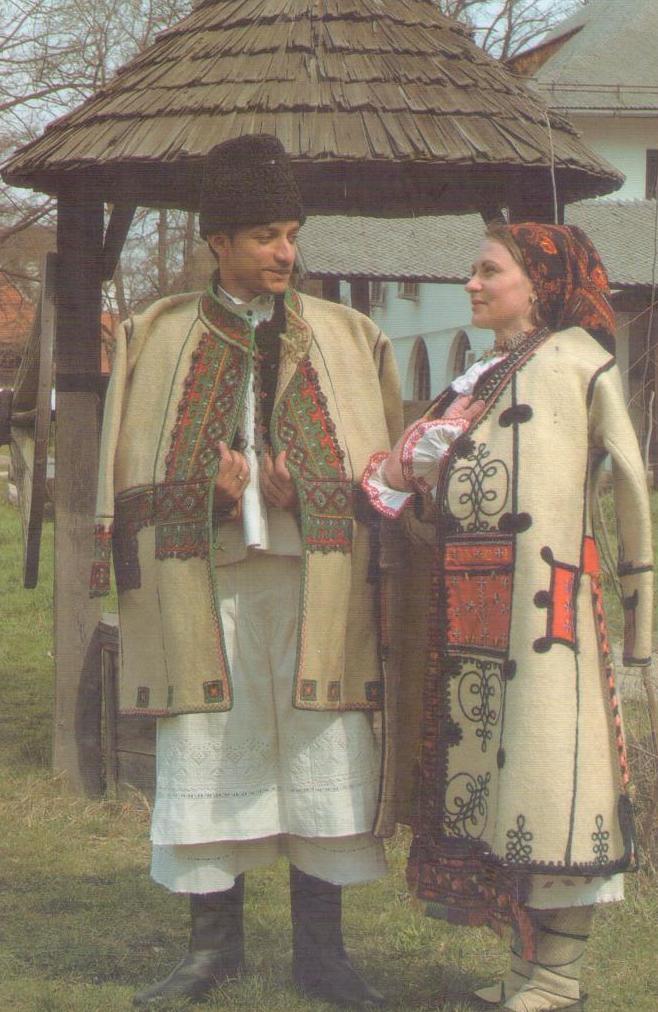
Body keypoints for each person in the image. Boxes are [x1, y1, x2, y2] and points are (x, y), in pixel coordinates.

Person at [91, 134, 403, 1008]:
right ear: (217, 239)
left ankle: (324, 958)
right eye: (265, 233)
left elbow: (390, 477)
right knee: (209, 744)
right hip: (209, 583)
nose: (286, 252)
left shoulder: (351, 335)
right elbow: (128, 477)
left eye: (292, 232)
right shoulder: (157, 335)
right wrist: (216, 501)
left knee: (321, 743)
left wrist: (313, 491)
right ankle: (210, 952)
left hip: (320, 583)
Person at [362, 222, 653, 1011]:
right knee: (498, 785)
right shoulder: (478, 375)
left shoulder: (578, 362)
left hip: (547, 610)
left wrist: (643, 613)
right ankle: (529, 967)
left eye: (489, 271)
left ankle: (559, 975)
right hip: (471, 611)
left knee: (554, 782)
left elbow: (629, 482)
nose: (472, 284)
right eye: (473, 271)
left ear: (539, 282)